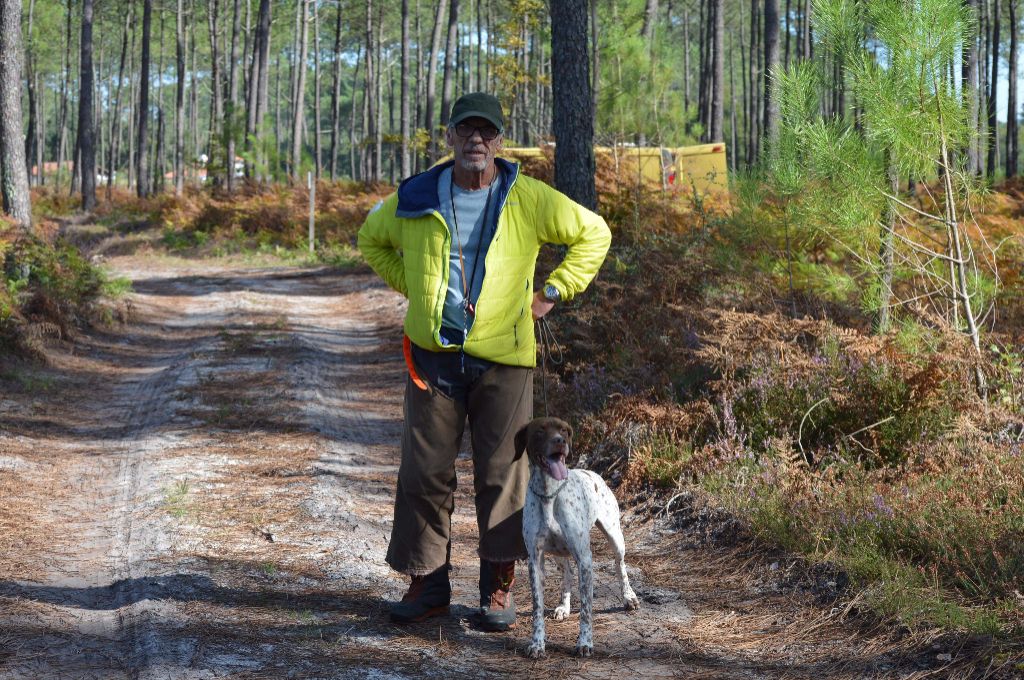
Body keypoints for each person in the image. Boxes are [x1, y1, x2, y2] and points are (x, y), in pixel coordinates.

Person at [357, 92, 611, 631]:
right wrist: (417, 290)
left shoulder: (529, 197)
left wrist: (553, 291)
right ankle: (427, 585)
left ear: (500, 140)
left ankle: (498, 588)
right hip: (433, 357)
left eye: (487, 131)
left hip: (505, 359)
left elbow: (594, 232)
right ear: (450, 136)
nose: (477, 139)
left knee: (505, 475)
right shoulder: (416, 196)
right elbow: (371, 239)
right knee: (423, 472)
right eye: (467, 130)